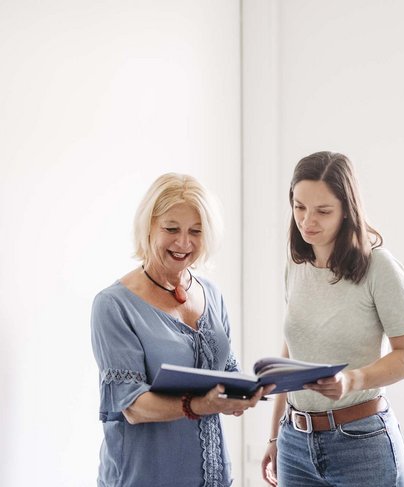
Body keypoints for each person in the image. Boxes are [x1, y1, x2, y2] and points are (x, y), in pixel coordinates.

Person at [91, 173, 273, 487]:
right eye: (171, 229)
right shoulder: (113, 305)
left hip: (213, 477)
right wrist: (201, 405)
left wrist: (247, 391)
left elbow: (226, 370)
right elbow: (131, 406)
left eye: (196, 231)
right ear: (148, 226)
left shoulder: (211, 294)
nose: (183, 243)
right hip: (145, 478)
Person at [261, 151, 404, 486]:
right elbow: (292, 350)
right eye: (299, 206)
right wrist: (276, 435)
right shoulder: (297, 264)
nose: (307, 221)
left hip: (361, 443)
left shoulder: (380, 268)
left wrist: (351, 381)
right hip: (295, 442)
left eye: (323, 211)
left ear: (347, 210)